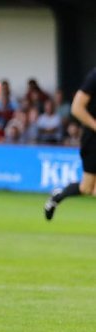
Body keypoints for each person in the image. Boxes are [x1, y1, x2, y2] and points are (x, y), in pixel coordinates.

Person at [43, 66, 96, 220]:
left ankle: (58, 196)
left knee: (89, 188)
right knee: (87, 188)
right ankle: (58, 196)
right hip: (92, 139)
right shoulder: (94, 77)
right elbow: (76, 108)